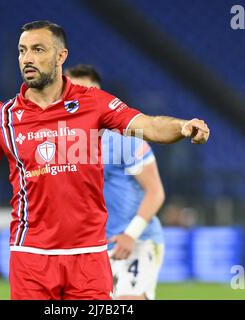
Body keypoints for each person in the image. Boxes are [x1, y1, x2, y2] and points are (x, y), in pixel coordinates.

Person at [0, 20, 210, 300]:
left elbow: (147, 125)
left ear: (61, 56)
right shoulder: (4, 117)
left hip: (89, 255)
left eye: (38, 50)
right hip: (31, 257)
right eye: (22, 51)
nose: (28, 58)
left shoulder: (94, 103)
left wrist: (182, 127)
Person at [66, 65, 165, 300]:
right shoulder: (62, 142)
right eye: (75, 93)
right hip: (93, 247)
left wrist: (131, 234)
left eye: (90, 93)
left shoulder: (124, 138)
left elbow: (155, 192)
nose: (84, 101)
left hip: (135, 240)